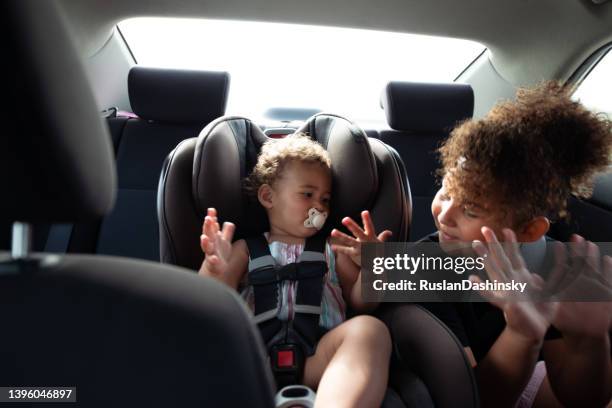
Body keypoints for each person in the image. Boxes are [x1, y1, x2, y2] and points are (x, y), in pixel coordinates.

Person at [422, 82, 612, 407]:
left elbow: (582, 399)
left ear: (528, 230)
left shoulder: (555, 266)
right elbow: (469, 399)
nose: (445, 214)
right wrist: (522, 334)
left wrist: (588, 341)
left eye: (470, 210)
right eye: (446, 191)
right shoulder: (423, 266)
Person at [198, 133, 392, 408]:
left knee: (370, 329)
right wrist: (214, 266)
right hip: (252, 361)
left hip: (319, 358)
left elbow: (363, 304)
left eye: (325, 199)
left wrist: (375, 265)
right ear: (268, 197)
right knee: (204, 340)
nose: (319, 206)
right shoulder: (244, 248)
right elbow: (210, 301)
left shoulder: (335, 248)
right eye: (307, 194)